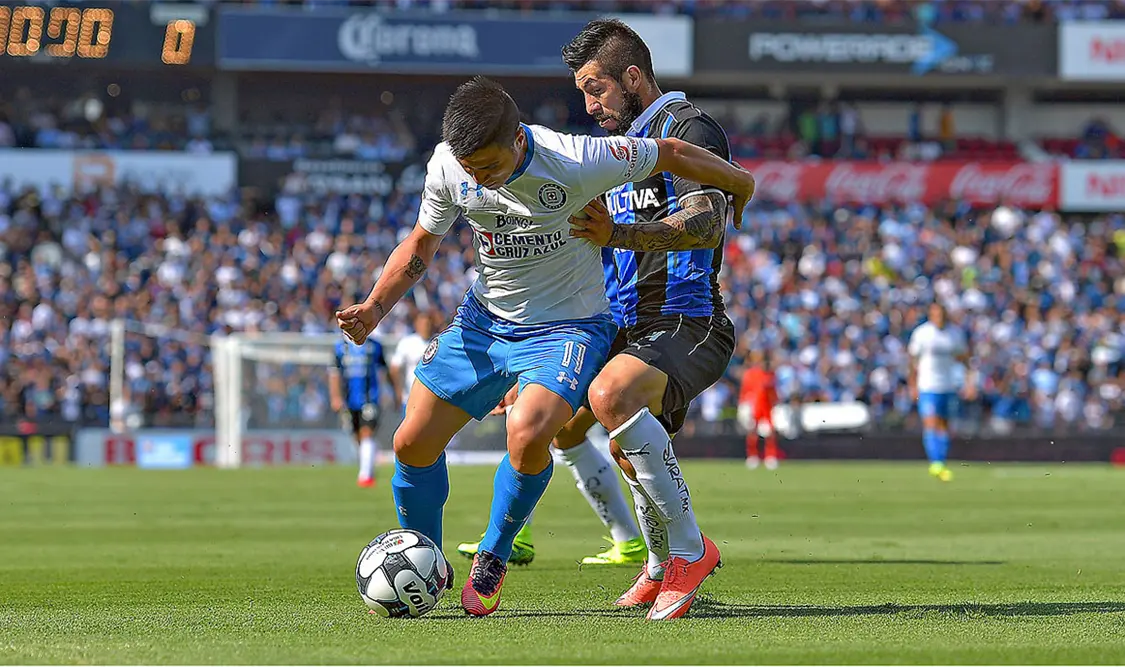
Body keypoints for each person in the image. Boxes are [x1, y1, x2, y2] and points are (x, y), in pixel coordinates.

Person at [335, 76, 755, 617]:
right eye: (470, 168)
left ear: (516, 140)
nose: (478, 178)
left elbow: (672, 152)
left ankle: (495, 554)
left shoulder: (576, 158)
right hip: (484, 321)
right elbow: (421, 242)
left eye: (488, 166)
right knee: (410, 443)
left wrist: (738, 181)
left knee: (528, 431)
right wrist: (374, 308)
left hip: (569, 327)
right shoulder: (446, 165)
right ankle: (427, 558)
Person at [907, 303, 968, 482]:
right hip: (927, 385)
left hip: (948, 385)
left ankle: (940, 460)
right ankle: (936, 463)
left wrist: (968, 381)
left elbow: (964, 357)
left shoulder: (955, 334)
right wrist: (912, 385)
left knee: (943, 425)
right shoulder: (922, 333)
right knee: (930, 422)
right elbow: (912, 360)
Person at [328, 336, 399, 487]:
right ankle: (369, 463)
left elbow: (384, 370)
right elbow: (334, 374)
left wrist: (393, 393)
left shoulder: (375, 346)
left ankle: (365, 476)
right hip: (349, 400)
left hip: (370, 399)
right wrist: (335, 397)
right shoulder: (340, 347)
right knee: (357, 436)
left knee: (367, 432)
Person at [739, 349, 780, 470]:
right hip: (755, 406)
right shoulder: (751, 374)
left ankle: (770, 457)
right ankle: (752, 456)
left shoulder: (771, 374)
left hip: (767, 407)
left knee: (770, 433)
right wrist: (744, 404)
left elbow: (773, 392)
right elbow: (746, 391)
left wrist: (775, 403)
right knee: (753, 432)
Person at [389, 312, 436, 413]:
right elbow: (394, 368)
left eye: (428, 324)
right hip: (410, 397)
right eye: (423, 324)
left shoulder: (438, 342)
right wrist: (398, 391)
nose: (426, 327)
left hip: (433, 399)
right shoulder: (407, 343)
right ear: (416, 325)